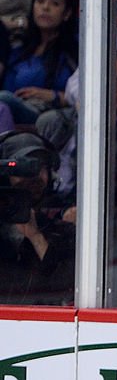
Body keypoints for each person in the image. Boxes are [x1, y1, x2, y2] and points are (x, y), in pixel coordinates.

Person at [35, 50, 117, 203]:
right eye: (106, 78)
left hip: (99, 213)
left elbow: (106, 170)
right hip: (48, 207)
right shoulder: (56, 121)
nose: (113, 86)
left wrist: (90, 122)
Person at [0, 129, 75, 305]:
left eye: (41, 167)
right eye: (24, 167)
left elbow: (65, 293)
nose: (34, 177)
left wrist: (36, 238)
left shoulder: (63, 232)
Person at [0, 0, 78, 125]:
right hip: (15, 113)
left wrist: (54, 96)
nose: (45, 7)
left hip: (53, 118)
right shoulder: (19, 50)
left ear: (67, 13)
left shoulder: (74, 53)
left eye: (55, 3)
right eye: (40, 1)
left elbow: (85, 96)